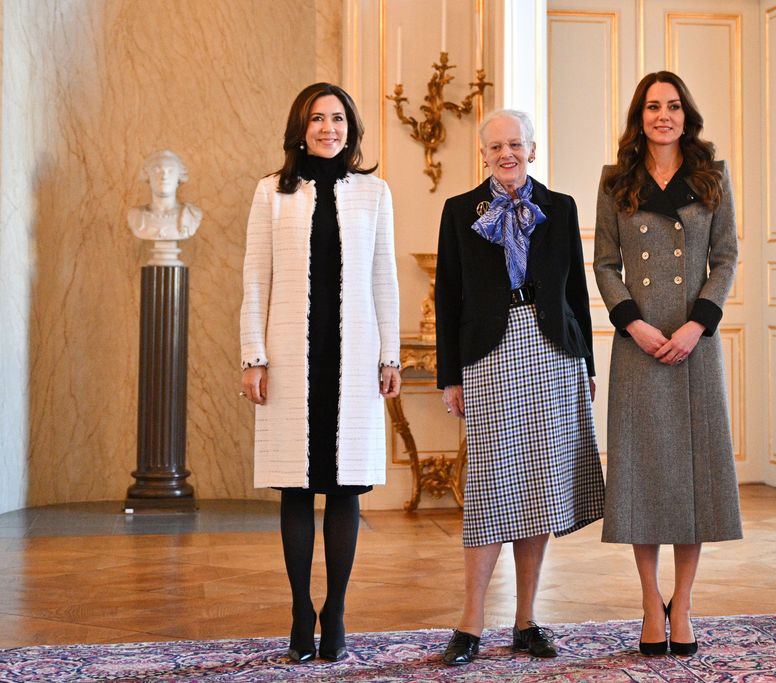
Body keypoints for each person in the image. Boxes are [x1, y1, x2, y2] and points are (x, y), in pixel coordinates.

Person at [434, 109, 605, 666]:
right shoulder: (460, 212)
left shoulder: (561, 207)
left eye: (515, 144)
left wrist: (588, 363)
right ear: (482, 154)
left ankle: (526, 620)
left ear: (533, 148)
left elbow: (576, 291)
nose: (506, 154)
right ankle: (469, 623)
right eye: (495, 147)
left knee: (540, 489)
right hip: (488, 355)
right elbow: (449, 298)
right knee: (489, 489)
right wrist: (449, 375)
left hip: (553, 352)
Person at [239, 82, 401, 663]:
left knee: (345, 486)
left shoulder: (374, 193)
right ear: (299, 128)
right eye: (316, 119)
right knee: (296, 485)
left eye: (337, 119)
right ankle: (299, 611)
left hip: (353, 357)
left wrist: (390, 355)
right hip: (289, 356)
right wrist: (252, 356)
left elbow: (385, 277)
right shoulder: (271, 193)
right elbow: (256, 279)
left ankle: (335, 611)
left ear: (350, 128)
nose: (327, 128)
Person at [593, 71, 742, 657]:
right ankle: (649, 601)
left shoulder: (712, 176)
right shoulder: (615, 182)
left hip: (694, 345)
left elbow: (726, 257)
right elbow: (605, 263)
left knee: (692, 480)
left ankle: (683, 603)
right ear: (640, 116)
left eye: (674, 106)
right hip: (639, 344)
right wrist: (633, 322)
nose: (664, 116)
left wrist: (696, 323)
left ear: (687, 114)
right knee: (643, 478)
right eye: (653, 107)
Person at [128, 149, 202, 241]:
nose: (164, 176)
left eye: (170, 171)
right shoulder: (136, 215)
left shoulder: (191, 214)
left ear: (179, 176)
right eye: (157, 170)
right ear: (147, 175)